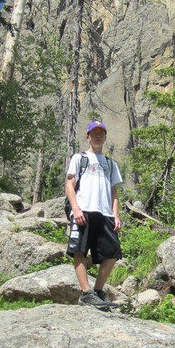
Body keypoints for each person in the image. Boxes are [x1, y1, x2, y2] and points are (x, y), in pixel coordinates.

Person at [65, 120, 123, 310]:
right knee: (79, 250)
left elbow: (114, 192)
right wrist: (76, 209)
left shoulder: (111, 164)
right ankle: (86, 293)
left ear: (105, 137)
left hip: (105, 213)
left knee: (113, 252)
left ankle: (97, 291)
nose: (98, 136)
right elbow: (69, 185)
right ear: (88, 137)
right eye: (94, 133)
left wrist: (116, 215)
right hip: (83, 209)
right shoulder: (79, 158)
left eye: (101, 133)